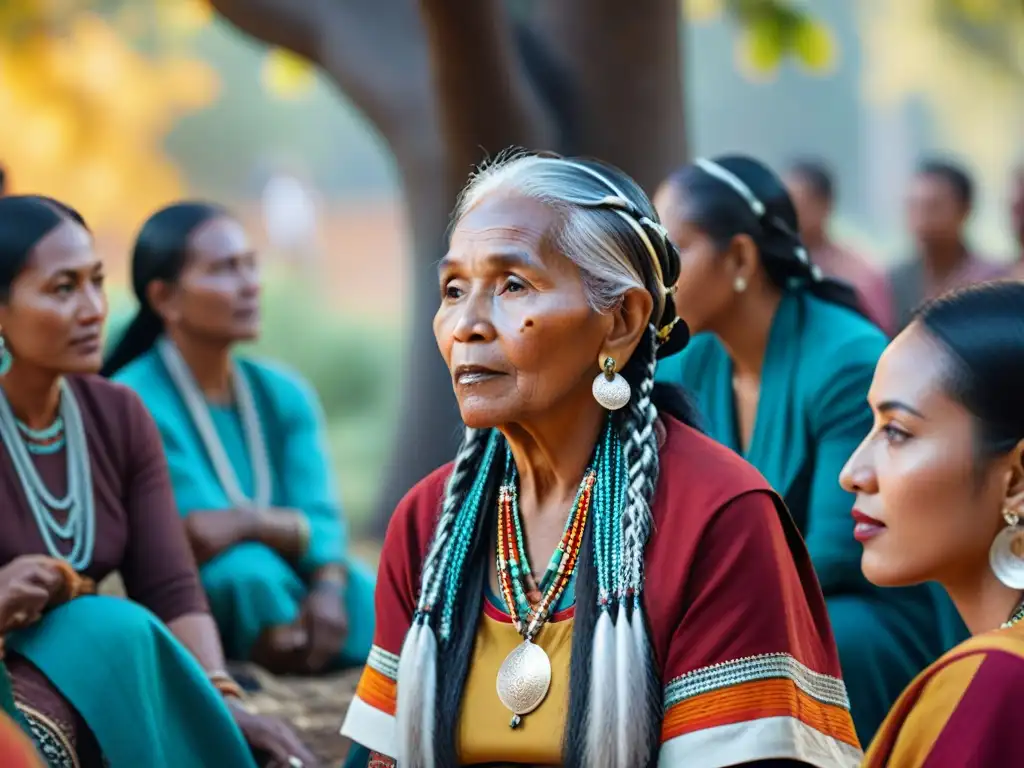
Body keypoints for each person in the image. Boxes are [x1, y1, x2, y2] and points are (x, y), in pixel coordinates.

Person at [341, 152, 862, 768]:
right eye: (453, 289)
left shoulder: (718, 519)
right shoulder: (427, 523)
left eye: (513, 285)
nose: (467, 324)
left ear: (622, 320)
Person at [652, 155, 965, 745]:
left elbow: (836, 554)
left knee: (810, 640)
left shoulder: (847, 359)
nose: (657, 274)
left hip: (858, 610)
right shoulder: (689, 359)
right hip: (741, 598)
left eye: (675, 250)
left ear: (741, 258)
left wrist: (698, 609)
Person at [0, 195, 317, 767]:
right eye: (62, 289)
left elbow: (169, 585)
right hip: (20, 675)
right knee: (109, 623)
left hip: (92, 666)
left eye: (97, 282)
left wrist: (221, 698)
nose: (94, 309)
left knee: (120, 630)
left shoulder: (118, 414)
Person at [103, 202, 374, 675]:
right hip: (209, 581)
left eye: (250, 264)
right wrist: (282, 530)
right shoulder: (132, 396)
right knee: (247, 577)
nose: (251, 284)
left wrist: (327, 587)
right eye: (225, 269)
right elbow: (197, 532)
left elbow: (325, 522)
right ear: (165, 298)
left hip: (298, 574)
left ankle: (305, 637)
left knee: (368, 588)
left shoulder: (283, 391)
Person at [840, 281, 1024, 766]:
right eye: (872, 427)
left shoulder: (998, 684)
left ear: (1016, 480)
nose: (853, 474)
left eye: (897, 432)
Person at [888, 158, 1006, 331]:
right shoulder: (894, 281)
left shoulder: (992, 281)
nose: (921, 220)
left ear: (965, 209)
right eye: (913, 207)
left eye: (933, 207)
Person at [784, 158, 893, 334]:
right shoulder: (773, 265)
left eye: (797, 204)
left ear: (825, 204)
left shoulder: (859, 271)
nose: (788, 213)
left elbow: (879, 330)